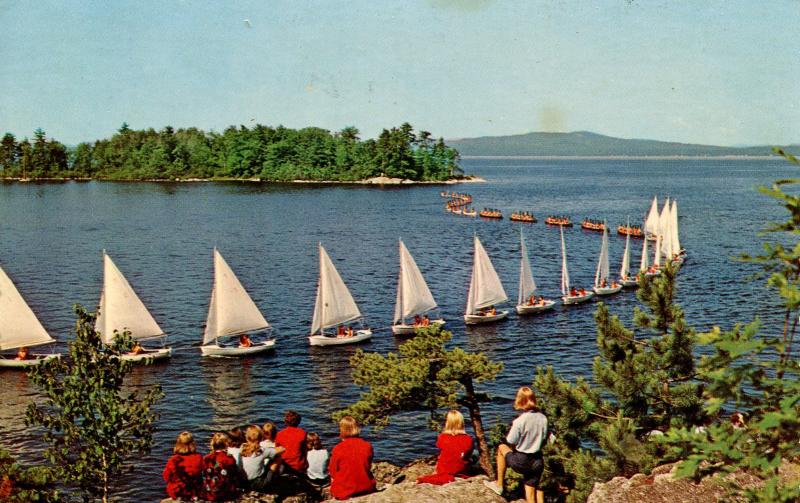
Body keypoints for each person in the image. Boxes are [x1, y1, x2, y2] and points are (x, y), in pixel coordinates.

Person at [484, 387, 548, 503]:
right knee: (531, 495)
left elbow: (511, 440)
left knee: (501, 448)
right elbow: (545, 438)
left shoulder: (520, 421)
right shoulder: (543, 418)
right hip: (538, 460)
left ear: (520, 401)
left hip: (522, 460)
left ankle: (499, 485)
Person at [417, 410, 474, 485]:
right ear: (462, 423)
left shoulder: (442, 437)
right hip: (461, 470)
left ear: (447, 423)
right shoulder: (468, 439)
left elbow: (441, 447)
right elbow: (468, 454)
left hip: (444, 469)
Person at [329, 416, 376, 500]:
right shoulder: (367, 445)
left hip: (344, 491)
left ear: (342, 430)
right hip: (367, 487)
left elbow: (333, 472)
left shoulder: (338, 448)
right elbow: (367, 466)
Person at [163, 431, 204, 500]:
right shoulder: (198, 457)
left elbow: (166, 476)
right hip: (194, 491)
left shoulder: (174, 460)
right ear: (193, 444)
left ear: (178, 444)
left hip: (177, 491)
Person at [202, 432, 241, 502]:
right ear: (226, 444)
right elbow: (234, 473)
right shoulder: (229, 458)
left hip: (209, 492)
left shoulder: (206, 458)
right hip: (226, 492)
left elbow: (204, 473)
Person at [238, 425, 277, 492]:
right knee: (277, 457)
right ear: (261, 438)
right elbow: (281, 450)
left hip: (243, 482)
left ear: (247, 438)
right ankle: (274, 480)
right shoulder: (263, 450)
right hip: (258, 484)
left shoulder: (242, 448)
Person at [276, 410, 308, 474]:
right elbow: (304, 451)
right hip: (299, 466)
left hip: (284, 465)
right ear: (298, 421)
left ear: (285, 422)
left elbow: (277, 451)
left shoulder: (279, 434)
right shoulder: (302, 433)